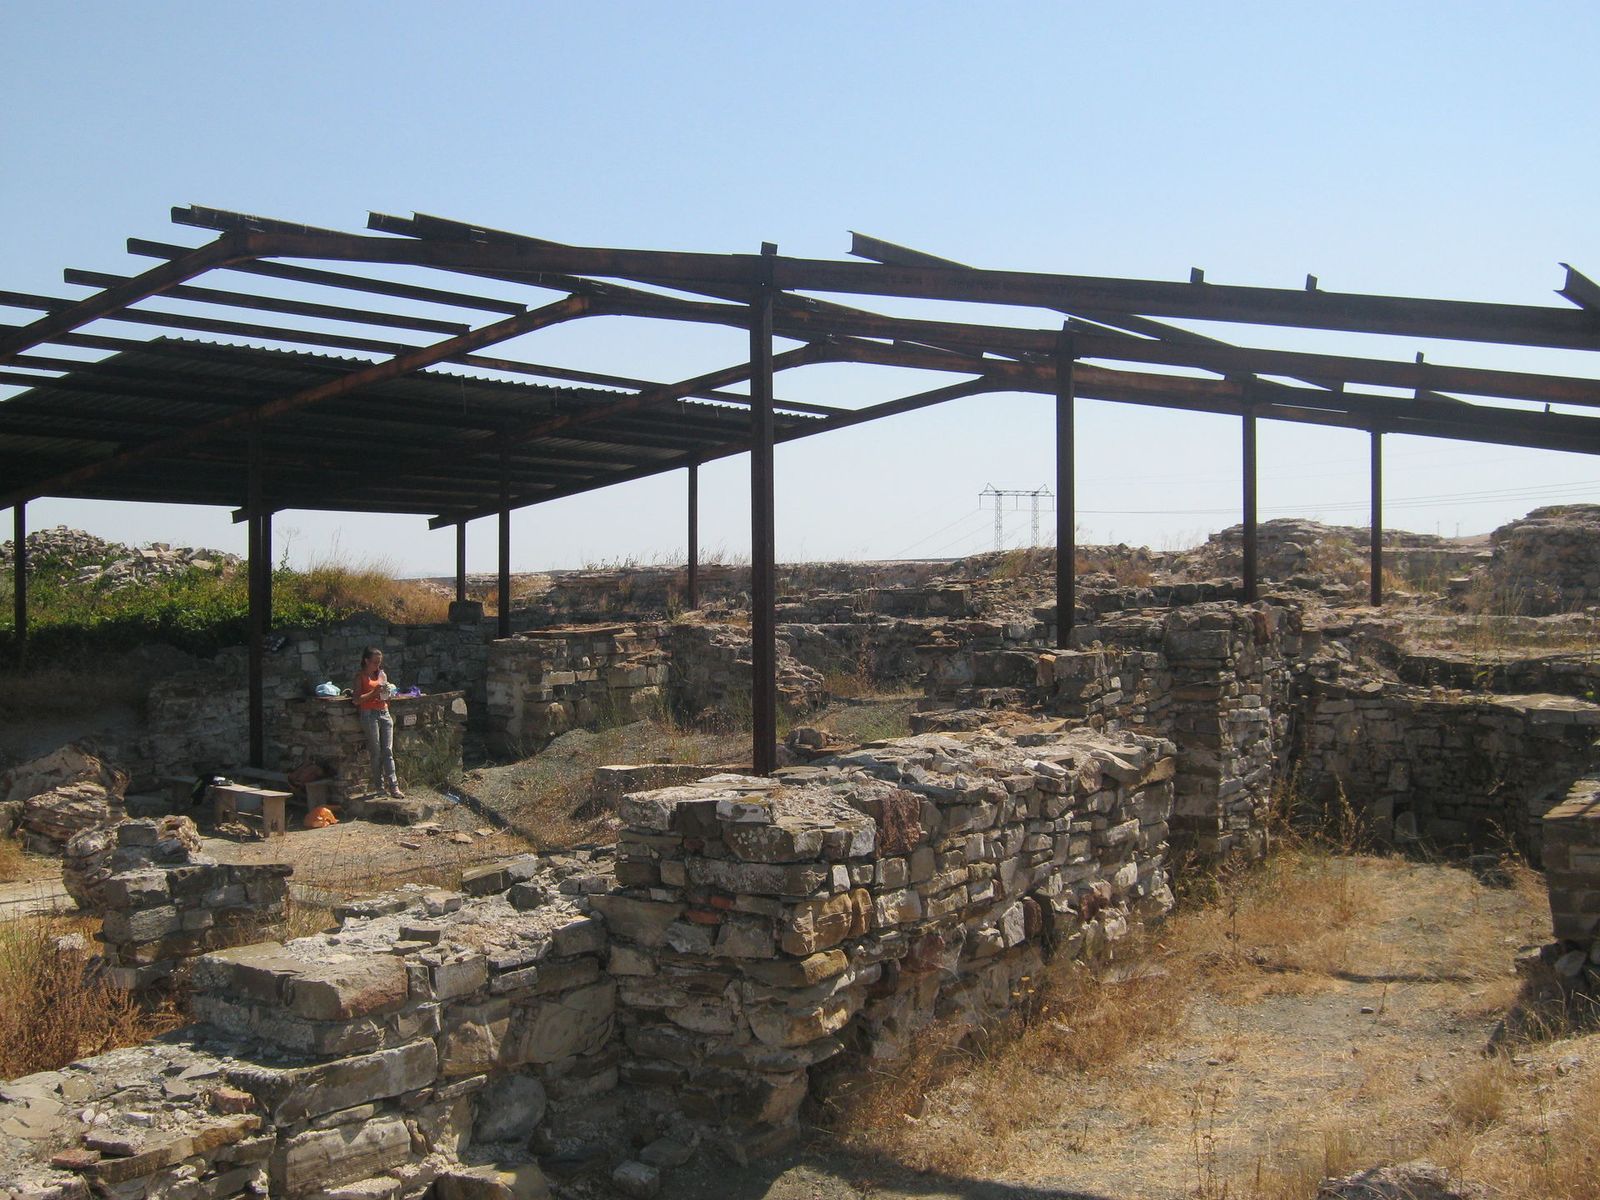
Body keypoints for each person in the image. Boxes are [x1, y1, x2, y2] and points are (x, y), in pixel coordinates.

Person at [353, 646, 405, 798]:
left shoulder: (382, 675)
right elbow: (357, 700)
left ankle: (394, 787)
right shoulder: (360, 677)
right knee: (376, 752)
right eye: (375, 662)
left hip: (384, 712)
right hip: (369, 714)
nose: (378, 665)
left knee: (388, 751)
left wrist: (387, 693)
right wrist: (373, 692)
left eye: (379, 662)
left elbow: (386, 697)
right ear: (366, 661)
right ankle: (379, 787)